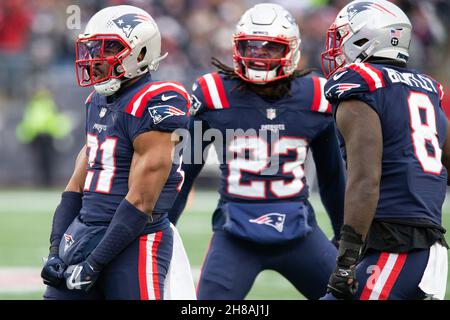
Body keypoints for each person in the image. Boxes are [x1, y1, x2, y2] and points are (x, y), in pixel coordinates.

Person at [169, 3, 346, 300]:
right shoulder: (213, 93)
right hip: (235, 236)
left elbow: (332, 177)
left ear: (291, 50)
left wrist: (343, 235)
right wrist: (164, 228)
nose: (259, 55)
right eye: (251, 47)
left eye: (270, 48)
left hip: (299, 234)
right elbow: (185, 172)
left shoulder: (316, 96)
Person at [40, 5, 195, 300]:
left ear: (140, 54)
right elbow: (75, 186)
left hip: (136, 241)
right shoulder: (96, 101)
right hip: (85, 231)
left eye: (109, 48)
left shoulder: (156, 102)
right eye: (93, 48)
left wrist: (95, 262)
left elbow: (140, 202)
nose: (95, 59)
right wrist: (55, 249)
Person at [320, 0, 449, 300]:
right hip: (420, 244)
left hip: (399, 245)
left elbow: (366, 180)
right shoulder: (426, 87)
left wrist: (346, 261)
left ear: (365, 38)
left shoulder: (363, 85)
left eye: (341, 38)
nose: (337, 48)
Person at [16, 88, 72, 187]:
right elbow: (29, 121)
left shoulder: (47, 104)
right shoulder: (35, 105)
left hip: (47, 135)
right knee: (39, 160)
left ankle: (48, 181)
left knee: (48, 160)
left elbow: (55, 119)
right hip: (36, 136)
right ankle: (42, 181)